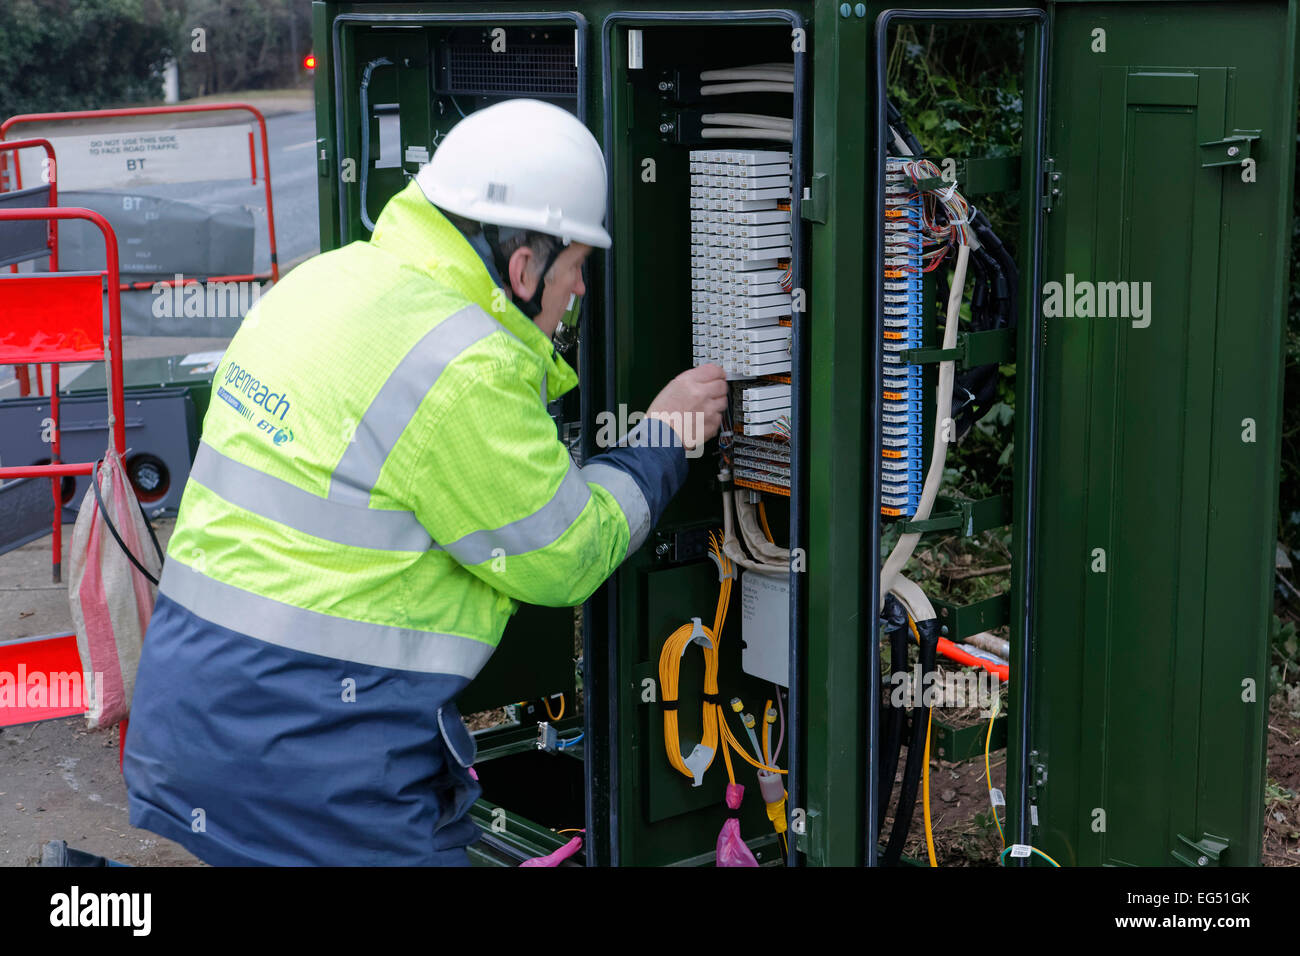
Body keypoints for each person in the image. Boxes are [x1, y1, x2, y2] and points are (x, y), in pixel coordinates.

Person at [122, 99, 727, 865]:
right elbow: (568, 554)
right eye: (576, 270)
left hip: (189, 712)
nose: (578, 295)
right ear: (522, 266)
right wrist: (665, 437)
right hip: (312, 752)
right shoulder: (465, 368)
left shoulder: (325, 279)